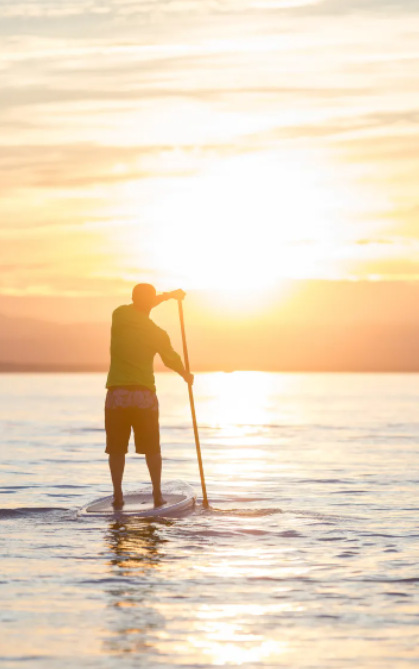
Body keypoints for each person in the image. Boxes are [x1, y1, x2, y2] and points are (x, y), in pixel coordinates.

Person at [105, 284, 193, 509]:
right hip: (144, 396)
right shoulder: (157, 333)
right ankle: (157, 494)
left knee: (117, 449)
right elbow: (171, 359)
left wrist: (167, 296)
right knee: (152, 448)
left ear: (133, 299)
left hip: (118, 396)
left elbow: (146, 302)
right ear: (150, 301)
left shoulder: (120, 314)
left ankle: (117, 495)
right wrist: (185, 374)